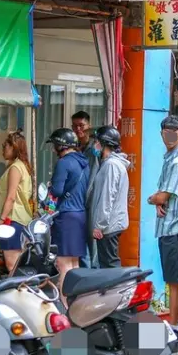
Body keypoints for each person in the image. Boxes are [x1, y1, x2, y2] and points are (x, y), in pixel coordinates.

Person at [147, 115, 178, 340]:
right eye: (166, 132)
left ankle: (173, 327)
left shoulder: (177, 161)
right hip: (171, 226)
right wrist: (159, 201)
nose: (169, 136)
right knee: (175, 281)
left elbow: (163, 195)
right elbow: (164, 197)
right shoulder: (171, 158)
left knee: (173, 282)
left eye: (174, 132)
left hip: (173, 227)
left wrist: (154, 199)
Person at [46, 127, 90, 306]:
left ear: (60, 145)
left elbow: (57, 190)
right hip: (80, 215)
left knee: (63, 264)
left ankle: (65, 306)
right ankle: (76, 303)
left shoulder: (64, 163)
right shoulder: (84, 162)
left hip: (66, 215)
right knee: (74, 264)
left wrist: (49, 187)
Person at [87, 125, 130, 269]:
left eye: (97, 142)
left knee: (110, 265)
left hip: (109, 225)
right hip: (111, 223)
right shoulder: (109, 164)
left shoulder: (111, 165)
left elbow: (107, 197)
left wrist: (99, 225)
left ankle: (120, 291)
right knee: (107, 264)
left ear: (103, 144)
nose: (95, 145)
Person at [0, 130, 34, 272]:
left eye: (5, 145)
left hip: (12, 220)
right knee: (17, 264)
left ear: (14, 147)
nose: (3, 148)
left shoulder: (15, 167)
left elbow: (11, 197)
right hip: (21, 220)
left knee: (12, 264)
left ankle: (20, 292)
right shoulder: (22, 166)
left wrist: (1, 220)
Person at [72, 110, 99, 269]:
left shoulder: (95, 149)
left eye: (81, 126)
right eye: (75, 126)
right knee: (80, 246)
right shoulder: (73, 148)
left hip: (92, 203)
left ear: (89, 126)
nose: (78, 130)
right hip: (77, 204)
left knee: (92, 244)